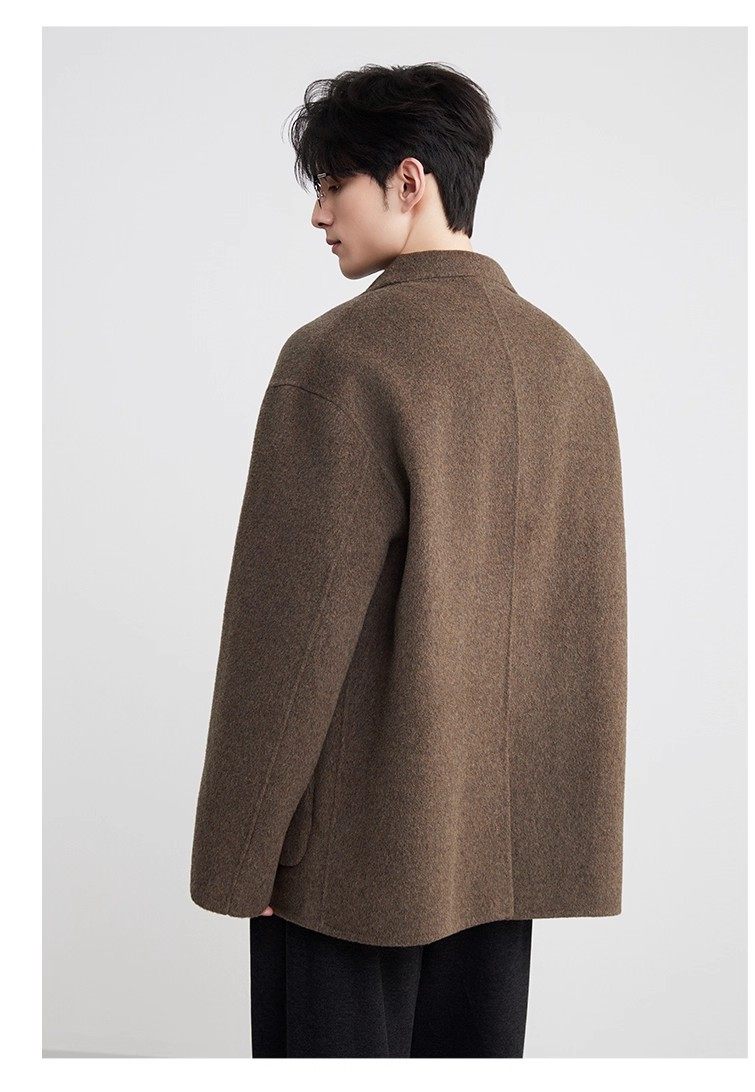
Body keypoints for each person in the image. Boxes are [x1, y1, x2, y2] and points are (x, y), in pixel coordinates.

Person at [189, 62, 627, 1058]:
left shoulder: (342, 359)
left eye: (331, 185)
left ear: (409, 181)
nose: (318, 216)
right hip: (495, 863)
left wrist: (243, 853)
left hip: (348, 862)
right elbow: (581, 628)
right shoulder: (571, 373)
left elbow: (285, 637)